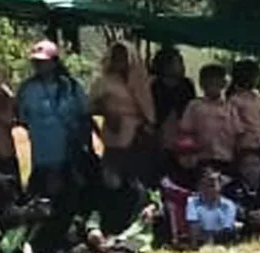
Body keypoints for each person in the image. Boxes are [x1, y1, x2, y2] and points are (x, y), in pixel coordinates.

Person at [16, 42, 94, 181]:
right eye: (36, 62)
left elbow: (85, 117)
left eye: (43, 61)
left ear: (54, 62)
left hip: (70, 157)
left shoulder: (72, 87)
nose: (38, 65)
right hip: (41, 157)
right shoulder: (26, 89)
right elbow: (22, 118)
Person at [89, 43, 155, 176]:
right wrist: (107, 112)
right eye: (116, 57)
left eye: (123, 57)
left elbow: (148, 108)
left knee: (136, 174)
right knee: (114, 174)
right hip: (113, 132)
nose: (119, 61)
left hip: (138, 135)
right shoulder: (103, 81)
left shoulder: (140, 81)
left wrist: (148, 126)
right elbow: (91, 107)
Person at [172, 64, 242, 177]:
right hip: (201, 160)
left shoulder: (230, 108)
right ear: (201, 84)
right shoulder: (194, 106)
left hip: (226, 159)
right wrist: (186, 157)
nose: (213, 87)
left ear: (224, 84)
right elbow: (185, 132)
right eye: (209, 83)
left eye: (217, 83)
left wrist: (239, 159)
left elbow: (238, 134)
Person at [185, 168, 242, 246]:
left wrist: (211, 238)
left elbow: (227, 231)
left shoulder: (229, 205)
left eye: (214, 182)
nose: (211, 183)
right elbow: (194, 231)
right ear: (199, 186)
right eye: (207, 181)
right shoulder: (192, 203)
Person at [148, 46, 195, 136]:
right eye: (178, 62)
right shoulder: (154, 84)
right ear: (165, 65)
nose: (183, 66)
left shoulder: (187, 84)